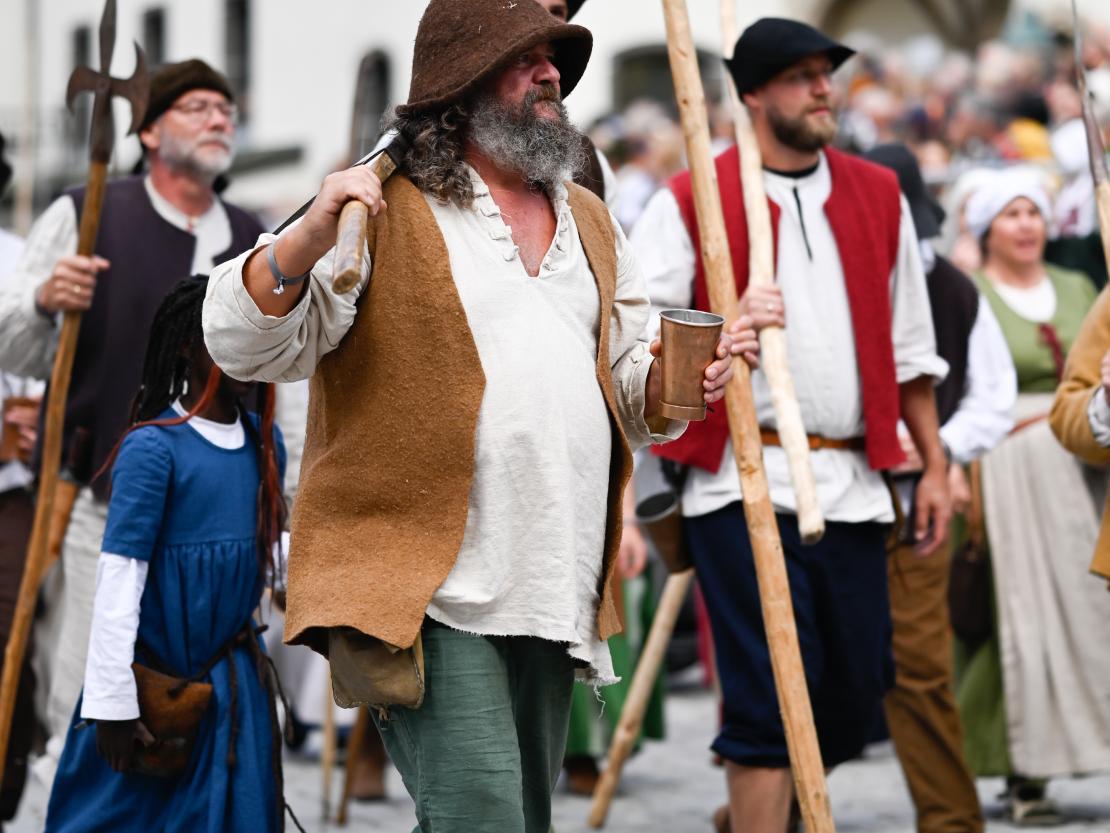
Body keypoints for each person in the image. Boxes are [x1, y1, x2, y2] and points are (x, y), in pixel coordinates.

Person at [201, 2, 757, 830]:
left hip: (552, 577)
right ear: (461, 82)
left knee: (521, 817)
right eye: (524, 59)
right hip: (424, 586)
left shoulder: (591, 220)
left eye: (553, 59)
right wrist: (307, 234)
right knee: (483, 815)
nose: (551, 75)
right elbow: (241, 341)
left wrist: (677, 384)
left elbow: (624, 385)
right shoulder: (378, 209)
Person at [632, 18, 951, 833]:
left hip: (855, 479)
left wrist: (934, 467)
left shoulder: (877, 193)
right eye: (801, 76)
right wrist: (726, 326)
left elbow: (912, 350)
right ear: (753, 95)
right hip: (742, 481)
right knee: (768, 700)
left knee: (855, 692)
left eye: (825, 74)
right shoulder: (691, 197)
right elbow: (644, 353)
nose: (823, 89)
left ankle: (751, 815)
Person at [0, 59, 265, 772]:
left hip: (222, 518)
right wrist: (45, 302)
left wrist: (287, 489)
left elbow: (282, 384)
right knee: (90, 692)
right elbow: (10, 344)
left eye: (226, 109)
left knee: (202, 698)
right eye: (198, 107)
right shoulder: (88, 213)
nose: (219, 119)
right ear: (148, 132)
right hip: (102, 495)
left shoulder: (253, 235)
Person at [42, 277, 289, 832]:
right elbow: (118, 583)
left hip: (235, 697)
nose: (247, 348)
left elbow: (267, 557)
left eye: (257, 333)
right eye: (229, 333)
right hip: (151, 695)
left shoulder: (265, 443)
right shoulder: (153, 449)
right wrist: (111, 703)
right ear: (185, 345)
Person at [865, 143, 1017, 833]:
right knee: (822, 664)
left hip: (916, 500)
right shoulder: (822, 279)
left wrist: (939, 451)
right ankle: (773, 804)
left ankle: (952, 820)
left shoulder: (952, 289)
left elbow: (993, 395)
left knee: (922, 667)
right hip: (829, 495)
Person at [955, 172, 1110, 825]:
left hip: (1087, 464)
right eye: (1011, 214)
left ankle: (1086, 747)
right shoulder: (971, 292)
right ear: (987, 228)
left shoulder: (1079, 287)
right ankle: (1024, 768)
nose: (1025, 225)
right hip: (1008, 468)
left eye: (1034, 213)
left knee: (1091, 615)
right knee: (1019, 620)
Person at [0, 129, 45, 826]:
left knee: (11, 638)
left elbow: (41, 358)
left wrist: (36, 413)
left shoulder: (19, 257)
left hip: (11, 489)